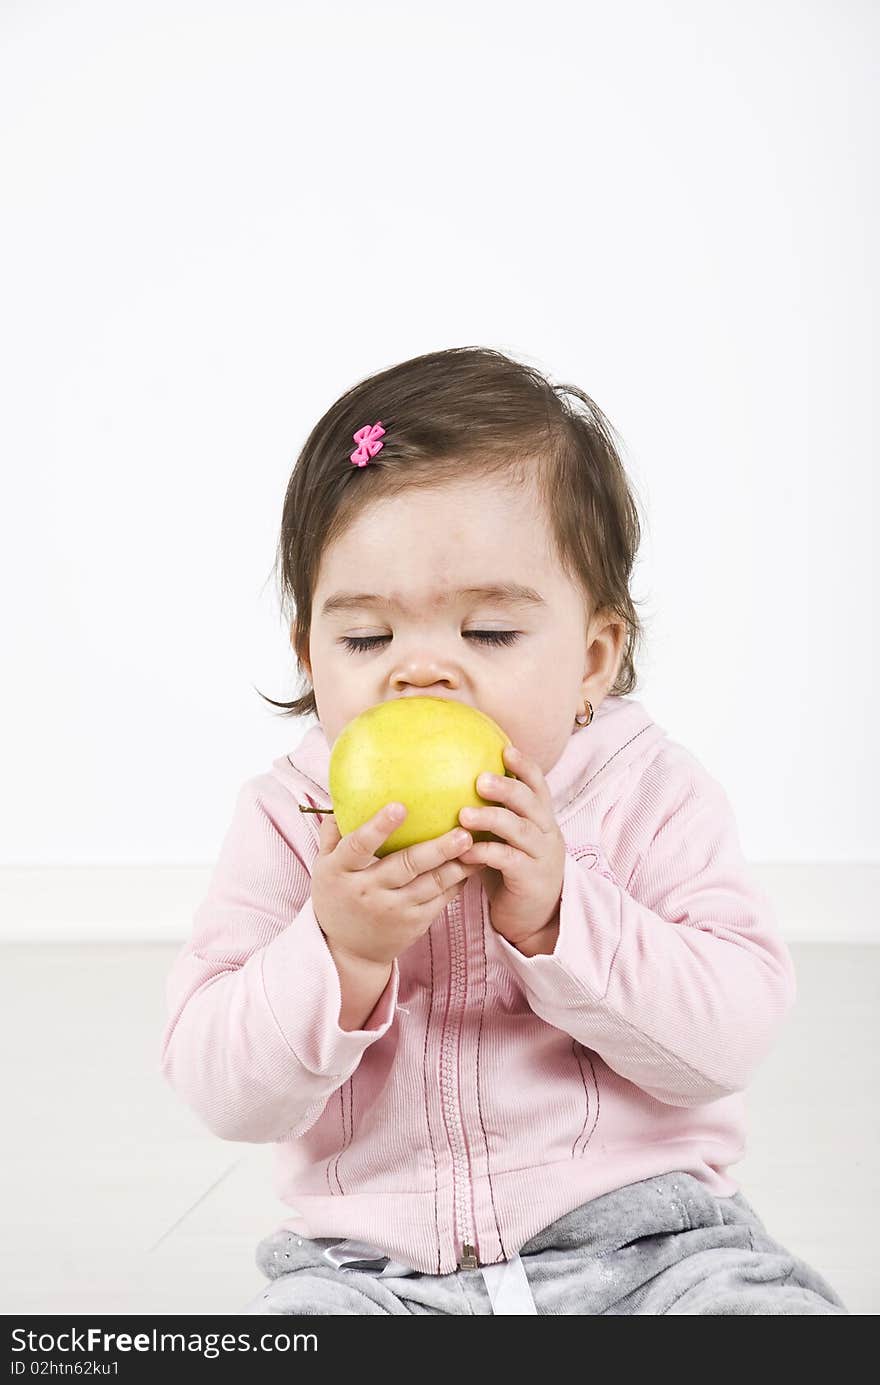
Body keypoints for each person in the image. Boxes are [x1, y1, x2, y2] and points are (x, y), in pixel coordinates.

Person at [160, 346, 848, 1314]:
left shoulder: (647, 791)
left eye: (486, 633)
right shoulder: (292, 818)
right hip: (374, 1275)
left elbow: (731, 1031)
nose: (421, 672)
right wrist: (335, 950)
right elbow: (218, 1083)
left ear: (593, 658)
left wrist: (566, 915)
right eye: (365, 638)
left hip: (651, 1249)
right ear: (310, 652)